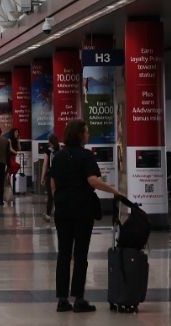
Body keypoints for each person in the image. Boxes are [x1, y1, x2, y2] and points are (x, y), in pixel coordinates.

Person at [46, 121, 119, 313]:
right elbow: (92, 180)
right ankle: (79, 298)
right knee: (80, 254)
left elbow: (52, 183)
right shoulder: (86, 156)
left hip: (62, 210)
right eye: (86, 132)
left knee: (63, 253)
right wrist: (115, 191)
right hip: (82, 210)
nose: (88, 135)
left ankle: (62, 299)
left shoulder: (58, 156)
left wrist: (60, 200)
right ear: (80, 135)